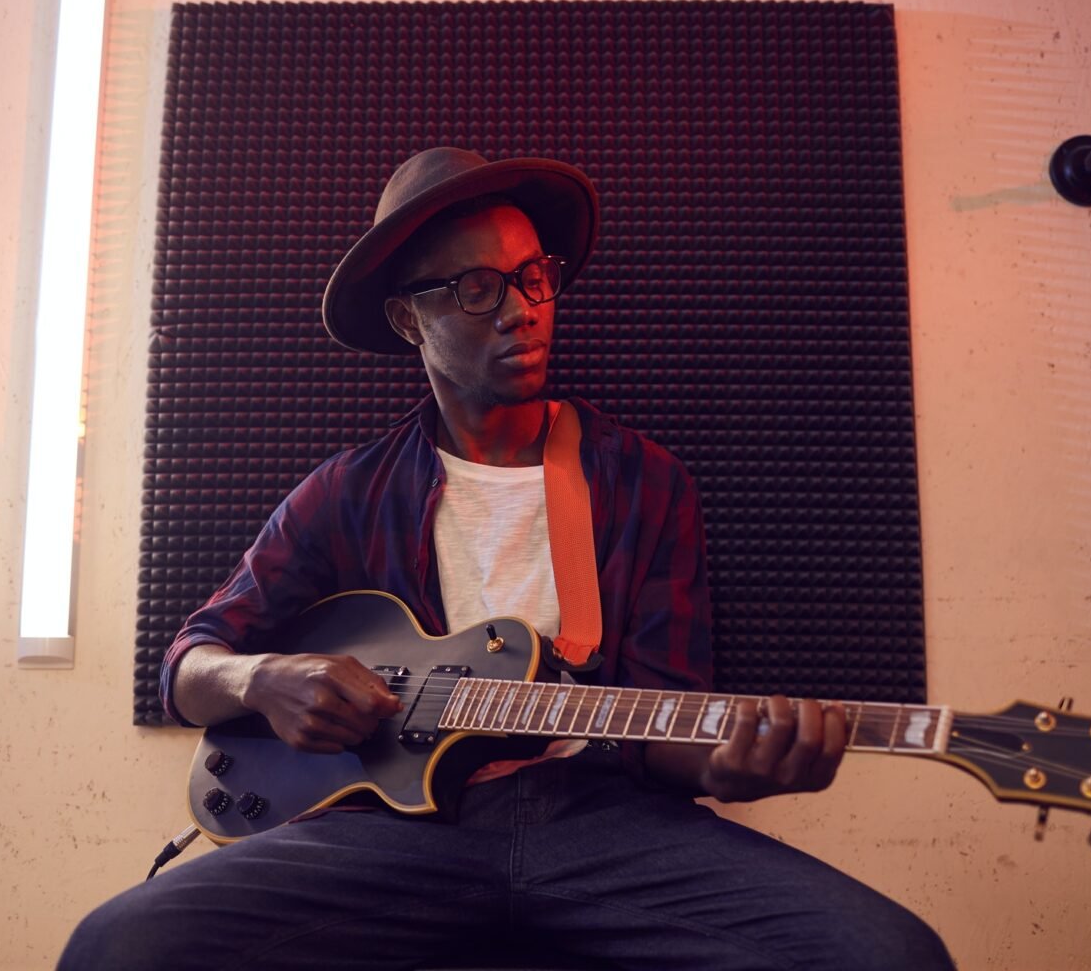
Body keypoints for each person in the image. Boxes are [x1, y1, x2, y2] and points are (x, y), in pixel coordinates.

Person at [59, 147, 953, 970]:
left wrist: (730, 765)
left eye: (533, 277)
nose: (523, 309)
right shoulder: (343, 494)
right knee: (118, 946)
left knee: (888, 955)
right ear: (410, 319)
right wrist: (263, 679)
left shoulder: (645, 483)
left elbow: (667, 717)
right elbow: (190, 664)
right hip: (393, 837)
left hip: (602, 821)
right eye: (479, 288)